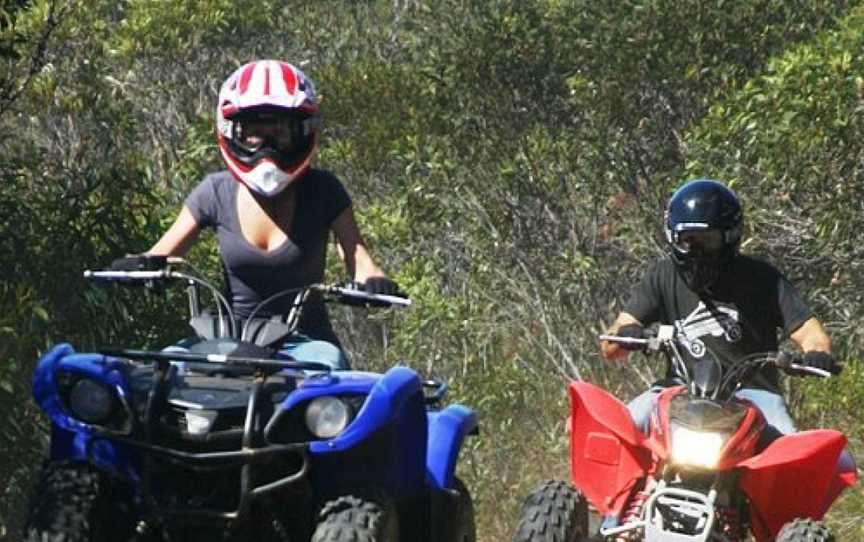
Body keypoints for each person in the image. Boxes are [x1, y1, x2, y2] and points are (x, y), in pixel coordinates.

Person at [141, 59, 399, 370]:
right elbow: (162, 254)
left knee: (326, 378)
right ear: (231, 131)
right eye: (253, 133)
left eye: (279, 133)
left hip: (305, 343)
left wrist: (374, 282)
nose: (266, 147)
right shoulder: (215, 191)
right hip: (226, 337)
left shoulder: (323, 190)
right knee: (162, 373)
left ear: (303, 133)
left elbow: (359, 259)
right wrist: (140, 266)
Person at [600, 178, 854, 489]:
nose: (695, 250)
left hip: (754, 398)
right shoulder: (662, 274)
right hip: (677, 391)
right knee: (616, 432)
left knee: (795, 465)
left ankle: (788, 532)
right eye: (686, 240)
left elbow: (811, 334)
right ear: (672, 237)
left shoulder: (763, 279)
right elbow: (614, 341)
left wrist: (816, 355)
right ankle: (612, 524)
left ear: (730, 237)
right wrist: (626, 334)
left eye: (706, 240)